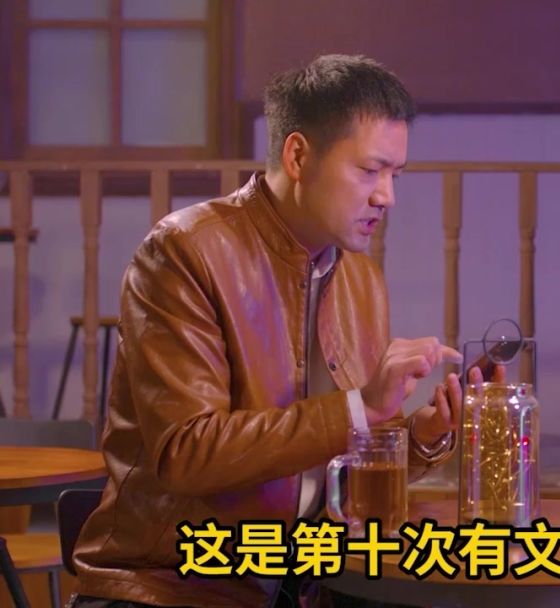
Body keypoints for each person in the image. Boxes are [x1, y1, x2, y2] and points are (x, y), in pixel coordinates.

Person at [70, 54, 491, 608]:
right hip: (171, 585)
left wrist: (422, 434)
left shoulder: (361, 279)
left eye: (396, 174)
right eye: (369, 171)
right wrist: (360, 407)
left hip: (306, 582)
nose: (386, 196)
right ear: (297, 156)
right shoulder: (184, 251)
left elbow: (344, 470)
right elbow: (187, 454)